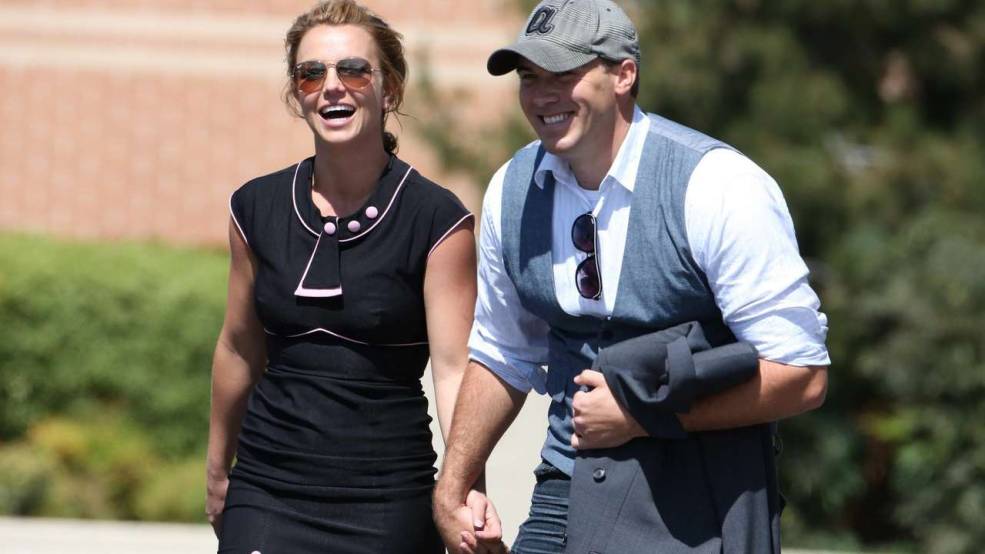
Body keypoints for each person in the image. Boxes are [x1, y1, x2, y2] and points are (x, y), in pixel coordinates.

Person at [433, 0, 830, 552]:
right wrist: (453, 486)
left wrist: (645, 418)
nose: (542, 95)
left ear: (624, 74)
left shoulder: (718, 185)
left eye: (563, 75)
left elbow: (802, 376)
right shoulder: (512, 189)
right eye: (529, 77)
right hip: (567, 482)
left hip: (697, 501)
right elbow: (503, 352)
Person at [204, 1, 476, 552]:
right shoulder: (254, 207)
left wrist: (465, 492)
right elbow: (237, 347)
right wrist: (216, 471)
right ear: (296, 92)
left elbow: (454, 372)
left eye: (353, 70)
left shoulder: (437, 219)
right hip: (266, 491)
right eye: (311, 73)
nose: (332, 86)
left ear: (390, 89)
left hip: (388, 501)